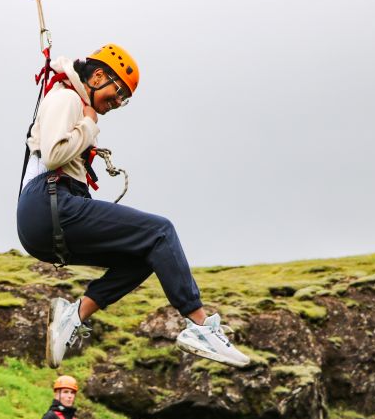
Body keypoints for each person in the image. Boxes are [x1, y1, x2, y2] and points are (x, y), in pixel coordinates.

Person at [15, 44, 249, 369]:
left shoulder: (76, 102)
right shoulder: (65, 97)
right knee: (160, 231)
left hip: (51, 213)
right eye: (115, 95)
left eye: (121, 101)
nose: (114, 104)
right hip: (48, 202)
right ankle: (200, 326)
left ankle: (74, 316)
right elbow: (54, 155)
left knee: (145, 253)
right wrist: (88, 124)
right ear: (97, 75)